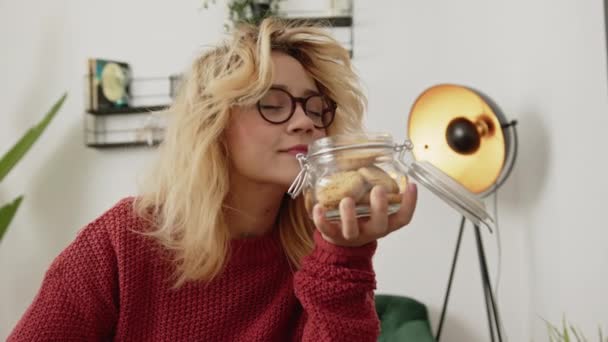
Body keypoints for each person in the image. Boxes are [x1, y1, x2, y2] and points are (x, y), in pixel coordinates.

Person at [8, 17, 417, 341]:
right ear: (213, 124)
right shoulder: (120, 245)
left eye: (316, 107)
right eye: (272, 104)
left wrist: (346, 255)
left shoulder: (319, 248)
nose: (305, 121)